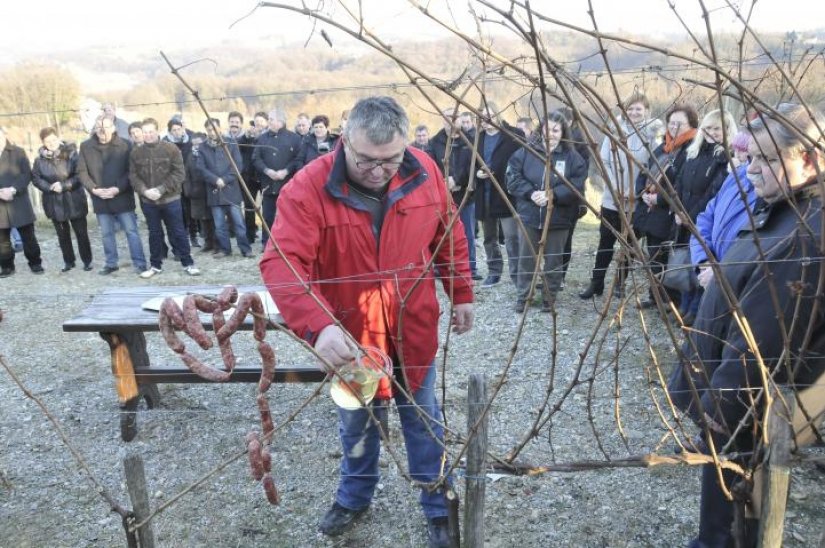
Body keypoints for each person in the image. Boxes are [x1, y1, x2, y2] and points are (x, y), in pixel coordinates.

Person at [260, 96, 474, 547]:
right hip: (350, 334)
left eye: (390, 160)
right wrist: (318, 326)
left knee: (423, 416)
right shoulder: (308, 188)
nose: (379, 171)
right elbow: (281, 263)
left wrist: (461, 293)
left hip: (412, 326)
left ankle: (437, 504)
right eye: (366, 161)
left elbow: (449, 231)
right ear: (344, 141)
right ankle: (354, 497)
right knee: (357, 421)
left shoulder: (424, 171)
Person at [668, 102, 825, 547]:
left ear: (809, 159)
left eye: (767, 159)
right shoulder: (780, 210)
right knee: (723, 507)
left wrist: (720, 414)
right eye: (750, 157)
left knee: (733, 514)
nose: (752, 170)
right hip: (726, 397)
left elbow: (760, 344)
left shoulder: (805, 236)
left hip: (742, 412)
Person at [579, 92, 659, 299]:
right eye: (630, 109)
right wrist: (615, 188)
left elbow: (655, 167)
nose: (634, 112)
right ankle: (596, 284)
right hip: (612, 200)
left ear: (647, 111)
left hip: (637, 201)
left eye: (638, 109)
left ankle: (619, 283)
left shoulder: (652, 136)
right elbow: (603, 161)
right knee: (605, 242)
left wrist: (638, 192)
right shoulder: (614, 132)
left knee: (630, 246)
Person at [507, 111, 587, 312]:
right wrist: (530, 193)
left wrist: (553, 195)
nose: (550, 133)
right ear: (540, 129)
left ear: (563, 132)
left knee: (553, 260)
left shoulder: (572, 158)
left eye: (556, 130)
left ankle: (549, 298)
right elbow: (512, 177)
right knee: (526, 259)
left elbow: (576, 186)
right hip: (529, 216)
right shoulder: (525, 152)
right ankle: (524, 296)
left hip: (558, 218)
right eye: (547, 128)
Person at [672, 109, 736, 324]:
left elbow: (713, 192)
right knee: (685, 263)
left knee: (702, 263)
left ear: (727, 130)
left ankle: (696, 309)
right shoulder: (693, 151)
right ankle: (684, 303)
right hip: (683, 214)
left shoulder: (725, 157)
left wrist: (689, 216)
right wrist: (677, 209)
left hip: (702, 219)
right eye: (708, 128)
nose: (712, 132)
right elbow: (679, 183)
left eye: (717, 128)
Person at [632, 103, 698, 308]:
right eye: (671, 122)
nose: (675, 127)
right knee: (654, 258)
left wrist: (659, 200)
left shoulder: (691, 150)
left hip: (670, 213)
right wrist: (642, 192)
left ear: (692, 125)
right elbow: (645, 171)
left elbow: (684, 183)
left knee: (669, 259)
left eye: (680, 123)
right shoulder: (663, 147)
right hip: (651, 212)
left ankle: (671, 301)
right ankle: (655, 297)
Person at [129, 117, 200, 278]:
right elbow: (133, 176)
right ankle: (155, 265)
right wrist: (144, 191)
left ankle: (188, 263)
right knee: (154, 234)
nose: (148, 135)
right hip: (148, 201)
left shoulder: (171, 149)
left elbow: (179, 174)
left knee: (178, 232)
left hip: (171, 200)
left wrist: (161, 189)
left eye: (151, 131)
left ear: (157, 131)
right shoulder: (136, 153)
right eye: (145, 132)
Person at [78, 116, 147, 275]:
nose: (103, 131)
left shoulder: (125, 145)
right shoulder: (86, 146)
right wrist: (93, 189)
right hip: (100, 197)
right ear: (95, 129)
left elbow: (131, 171)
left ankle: (139, 262)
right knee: (106, 233)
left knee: (131, 231)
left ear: (114, 128)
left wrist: (117, 188)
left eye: (107, 127)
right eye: (99, 127)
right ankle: (111, 263)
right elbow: (81, 171)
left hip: (121, 195)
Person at [472, 101, 524, 287]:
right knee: (489, 237)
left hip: (505, 195)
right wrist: (477, 174)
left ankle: (517, 274)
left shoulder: (512, 136)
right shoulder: (477, 139)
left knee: (512, 237)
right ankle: (494, 271)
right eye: (481, 117)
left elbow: (522, 161)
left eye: (489, 115)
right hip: (484, 194)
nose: (485, 120)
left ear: (497, 114)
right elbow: (472, 165)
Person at [32, 127, 93, 272]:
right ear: (43, 142)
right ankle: (69, 261)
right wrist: (50, 187)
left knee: (81, 233)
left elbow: (80, 175)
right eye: (47, 141)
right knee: (62, 235)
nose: (51, 143)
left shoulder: (71, 153)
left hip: (74, 198)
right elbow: (36, 178)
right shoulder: (39, 160)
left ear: (58, 138)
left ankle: (87, 260)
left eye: (53, 139)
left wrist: (64, 185)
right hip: (53, 201)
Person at [428, 107, 479, 280]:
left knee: (467, 234)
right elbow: (430, 166)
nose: (451, 121)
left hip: (466, 196)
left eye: (455, 117)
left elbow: (474, 167)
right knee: (441, 234)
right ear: (443, 119)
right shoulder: (435, 142)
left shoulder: (470, 140)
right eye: (448, 117)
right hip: (442, 198)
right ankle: (441, 267)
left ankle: (470, 268)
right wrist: (443, 182)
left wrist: (457, 180)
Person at [197, 118, 253, 258]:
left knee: (239, 224)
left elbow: (238, 165)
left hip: (231, 191)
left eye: (214, 129)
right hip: (214, 191)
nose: (212, 132)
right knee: (220, 225)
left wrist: (225, 179)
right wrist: (215, 180)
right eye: (209, 130)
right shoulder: (203, 147)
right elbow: (201, 168)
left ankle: (245, 249)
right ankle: (225, 249)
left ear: (220, 128)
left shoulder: (231, 143)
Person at [251, 107, 302, 248]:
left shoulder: (295, 138)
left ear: (281, 121)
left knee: (289, 216)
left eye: (271, 119)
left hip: (288, 184)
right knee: (268, 216)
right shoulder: (262, 138)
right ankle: (267, 243)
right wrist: (267, 171)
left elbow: (298, 158)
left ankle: (289, 244)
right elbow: (255, 158)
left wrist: (286, 171)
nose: (269, 122)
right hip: (268, 184)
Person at [0, 126, 44, 277]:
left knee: (28, 236)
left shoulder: (17, 152)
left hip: (18, 201)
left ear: (3, 135)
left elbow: (26, 175)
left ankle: (35, 263)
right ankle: (6, 266)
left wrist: (12, 189)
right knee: (2, 239)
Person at [165, 117, 199, 248]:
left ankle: (194, 236)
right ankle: (183, 235)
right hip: (174, 182)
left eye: (179, 129)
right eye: (174, 130)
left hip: (189, 181)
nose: (177, 132)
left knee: (191, 210)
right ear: (170, 131)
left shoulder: (189, 141)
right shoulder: (166, 143)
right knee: (179, 211)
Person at [184, 132, 217, 253]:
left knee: (213, 218)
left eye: (198, 144)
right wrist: (188, 190)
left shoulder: (209, 154)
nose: (196, 147)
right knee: (203, 219)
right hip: (196, 193)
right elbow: (186, 175)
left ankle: (216, 243)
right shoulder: (190, 156)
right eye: (194, 145)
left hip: (209, 190)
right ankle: (207, 243)